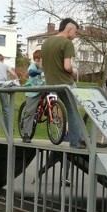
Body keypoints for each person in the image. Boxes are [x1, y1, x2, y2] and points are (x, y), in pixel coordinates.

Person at [41, 17, 85, 149]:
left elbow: (42, 65)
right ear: (69, 29)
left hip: (51, 83)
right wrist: (73, 73)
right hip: (65, 83)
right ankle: (76, 142)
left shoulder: (46, 42)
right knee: (73, 111)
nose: (75, 36)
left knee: (70, 109)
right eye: (75, 32)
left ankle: (80, 138)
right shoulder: (66, 43)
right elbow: (67, 66)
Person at [20, 50, 45, 143]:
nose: (39, 62)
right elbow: (31, 71)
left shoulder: (45, 67)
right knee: (30, 112)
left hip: (44, 89)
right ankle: (26, 133)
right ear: (35, 60)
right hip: (33, 91)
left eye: (41, 60)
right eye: (37, 60)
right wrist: (39, 72)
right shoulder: (33, 66)